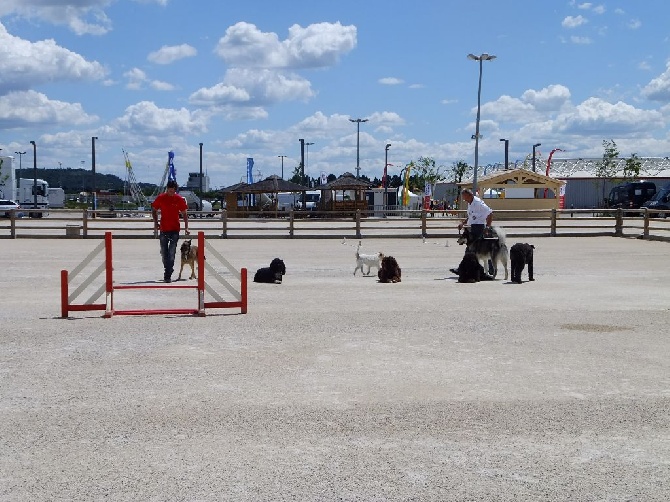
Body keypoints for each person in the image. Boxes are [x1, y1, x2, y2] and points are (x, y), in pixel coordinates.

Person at [151, 180, 189, 283]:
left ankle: (167, 275)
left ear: (175, 190)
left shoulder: (179, 199)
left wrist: (186, 227)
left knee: (171, 252)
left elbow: (184, 213)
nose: (171, 193)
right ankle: (169, 268)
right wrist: (156, 222)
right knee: (164, 253)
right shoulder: (161, 198)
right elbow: (154, 209)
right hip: (163, 229)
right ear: (167, 189)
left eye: (172, 191)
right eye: (169, 191)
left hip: (174, 230)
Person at [450, 188, 494, 275]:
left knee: (482, 249)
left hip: (480, 228)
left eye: (465, 197)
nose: (464, 199)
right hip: (474, 227)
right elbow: (470, 216)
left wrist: (488, 227)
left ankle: (462, 269)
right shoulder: (470, 203)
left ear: (470, 195)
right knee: (474, 249)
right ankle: (465, 268)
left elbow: (490, 213)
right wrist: (463, 223)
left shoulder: (478, 203)